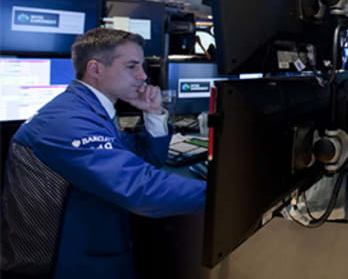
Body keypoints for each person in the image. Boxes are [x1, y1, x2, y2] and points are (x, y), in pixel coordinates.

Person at [1, 28, 206, 279]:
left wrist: (153, 114)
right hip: (65, 266)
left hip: (91, 242)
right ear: (95, 69)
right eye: (131, 66)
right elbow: (140, 189)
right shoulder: (68, 121)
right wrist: (221, 194)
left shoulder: (89, 109)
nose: (143, 76)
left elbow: (144, 159)